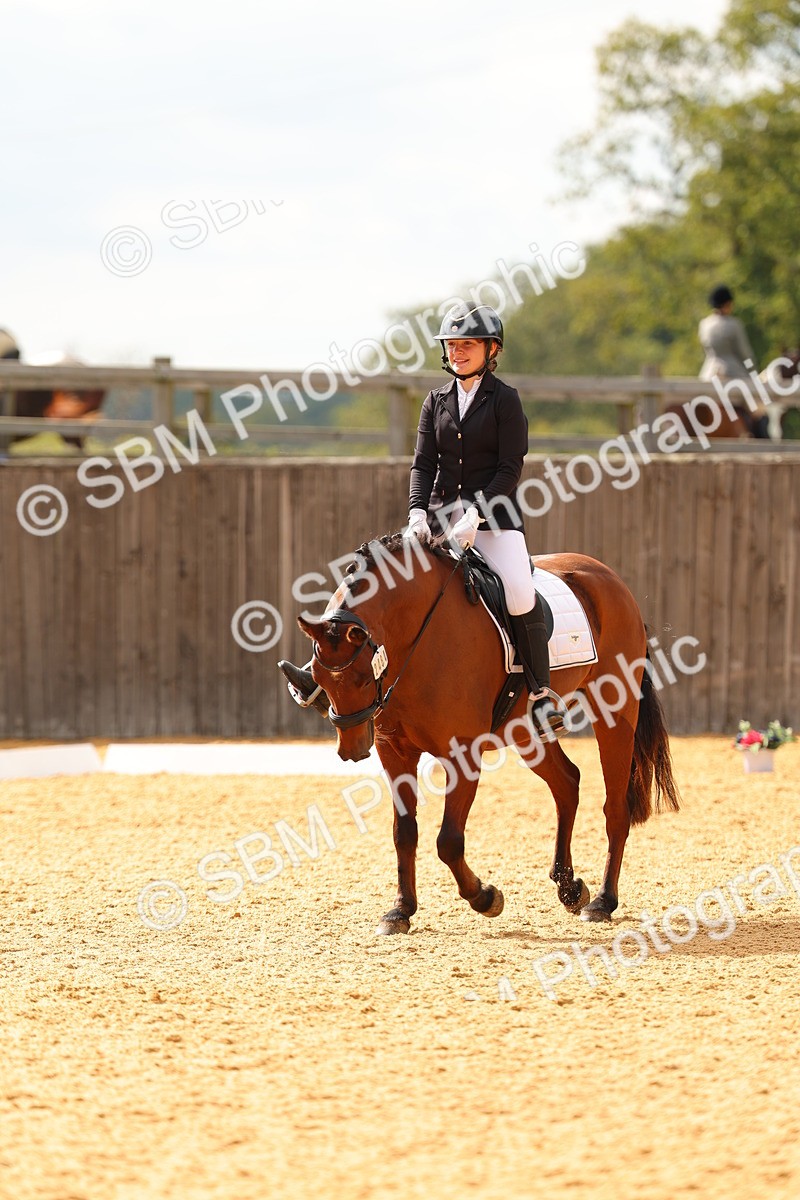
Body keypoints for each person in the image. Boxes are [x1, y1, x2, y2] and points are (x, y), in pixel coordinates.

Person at [280, 301, 565, 731]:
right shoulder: (435, 401)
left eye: (467, 345)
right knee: (377, 576)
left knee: (520, 594)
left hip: (494, 522)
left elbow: (510, 468)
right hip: (436, 519)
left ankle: (542, 695)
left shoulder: (505, 400)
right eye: (452, 345)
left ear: (492, 350)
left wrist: (477, 514)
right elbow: (423, 465)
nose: (457, 352)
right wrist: (417, 512)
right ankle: (318, 676)